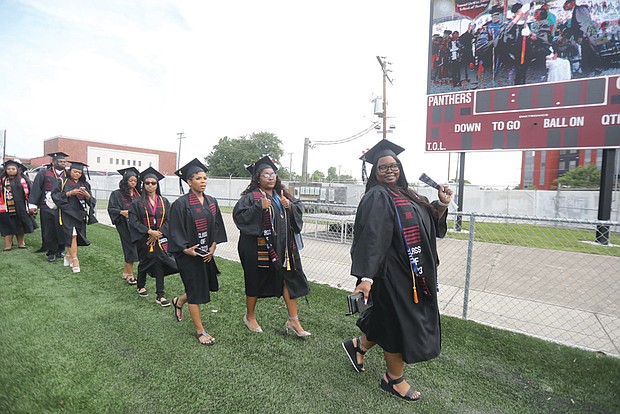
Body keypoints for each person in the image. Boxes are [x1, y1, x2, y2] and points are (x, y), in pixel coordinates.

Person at [342, 139, 452, 402]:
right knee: (397, 324)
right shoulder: (377, 196)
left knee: (388, 317)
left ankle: (358, 345)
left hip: (413, 272)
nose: (390, 170)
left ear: (400, 167)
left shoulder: (408, 193)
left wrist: (442, 204)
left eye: (394, 166)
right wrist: (366, 277)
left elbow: (426, 221)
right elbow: (371, 237)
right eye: (383, 167)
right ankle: (393, 379)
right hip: (390, 274)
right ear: (375, 172)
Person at [233, 156, 311, 337]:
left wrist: (289, 206)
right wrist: (258, 207)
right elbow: (240, 218)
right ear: (258, 178)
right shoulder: (251, 198)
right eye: (266, 174)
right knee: (255, 280)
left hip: (283, 247)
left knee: (288, 279)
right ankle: (250, 317)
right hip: (256, 247)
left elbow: (298, 210)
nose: (271, 177)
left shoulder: (282, 195)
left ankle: (293, 320)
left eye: (273, 174)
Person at [167, 159, 227, 346]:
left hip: (206, 253)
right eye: (198, 178)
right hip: (188, 255)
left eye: (205, 178)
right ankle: (200, 331)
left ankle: (178, 300)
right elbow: (174, 229)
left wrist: (213, 245)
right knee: (195, 291)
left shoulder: (212, 202)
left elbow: (216, 226)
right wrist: (185, 248)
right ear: (188, 181)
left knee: (201, 286)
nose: (203, 181)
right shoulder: (180, 204)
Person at [128, 167, 175, 307]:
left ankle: (160, 295)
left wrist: (158, 233)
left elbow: (169, 220)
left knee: (159, 263)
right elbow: (133, 221)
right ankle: (140, 285)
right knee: (144, 263)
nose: (150, 185)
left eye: (153, 183)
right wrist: (149, 232)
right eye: (147, 183)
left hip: (159, 238)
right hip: (144, 238)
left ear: (157, 184)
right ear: (143, 184)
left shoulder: (164, 201)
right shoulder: (137, 202)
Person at [51, 161, 97, 273]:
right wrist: (69, 193)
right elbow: (55, 196)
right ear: (70, 171)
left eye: (79, 172)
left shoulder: (85, 184)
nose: (77, 174)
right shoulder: (61, 181)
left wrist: (87, 196)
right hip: (67, 213)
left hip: (80, 214)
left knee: (74, 236)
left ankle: (68, 255)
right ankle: (75, 260)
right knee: (72, 236)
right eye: (75, 171)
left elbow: (92, 201)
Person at [29, 152, 68, 262]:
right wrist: (33, 204)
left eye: (64, 162)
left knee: (62, 228)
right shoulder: (44, 173)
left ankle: (60, 250)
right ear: (53, 162)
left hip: (62, 205)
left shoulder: (68, 174)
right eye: (60, 161)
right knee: (49, 229)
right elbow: (37, 188)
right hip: (47, 205)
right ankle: (51, 252)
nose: (62, 163)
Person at [107, 167, 140, 285]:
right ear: (125, 180)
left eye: (135, 181)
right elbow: (111, 208)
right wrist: (122, 212)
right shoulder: (117, 194)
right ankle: (130, 275)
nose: (133, 183)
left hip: (136, 225)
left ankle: (126, 272)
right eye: (130, 180)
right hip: (123, 224)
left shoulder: (138, 194)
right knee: (130, 247)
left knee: (134, 247)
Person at [0, 159, 37, 251]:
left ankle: (21, 243)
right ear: (5, 170)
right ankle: (7, 245)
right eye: (8, 169)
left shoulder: (23, 180)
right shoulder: (2, 180)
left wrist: (31, 206)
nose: (11, 170)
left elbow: (30, 192)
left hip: (20, 207)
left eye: (13, 168)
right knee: (7, 226)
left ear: (17, 170)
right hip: (5, 207)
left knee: (20, 225)